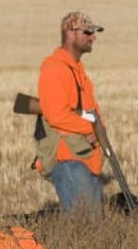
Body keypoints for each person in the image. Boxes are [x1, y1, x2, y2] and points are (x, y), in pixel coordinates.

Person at [34, 11, 107, 216]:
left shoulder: (76, 70)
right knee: (85, 224)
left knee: (92, 224)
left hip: (84, 157)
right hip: (69, 160)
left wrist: (98, 129)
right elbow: (56, 115)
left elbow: (90, 112)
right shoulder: (55, 68)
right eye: (88, 32)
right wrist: (92, 127)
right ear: (70, 33)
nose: (93, 37)